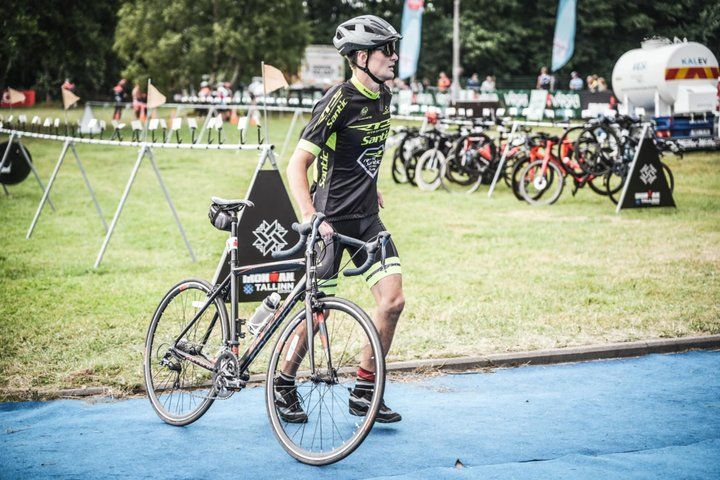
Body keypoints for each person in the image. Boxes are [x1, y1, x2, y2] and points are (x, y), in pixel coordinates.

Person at [281, 14, 405, 424]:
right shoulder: (337, 99)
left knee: (392, 302)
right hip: (330, 221)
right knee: (317, 315)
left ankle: (365, 389)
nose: (394, 56)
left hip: (367, 218)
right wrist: (310, 215)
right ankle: (283, 383)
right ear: (362, 57)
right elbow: (296, 165)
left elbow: (362, 151)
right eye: (387, 49)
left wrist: (372, 184)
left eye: (393, 48)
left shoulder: (385, 95)